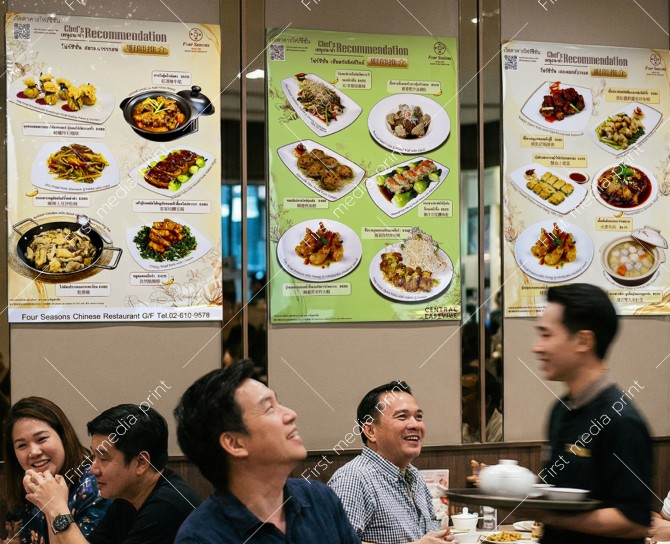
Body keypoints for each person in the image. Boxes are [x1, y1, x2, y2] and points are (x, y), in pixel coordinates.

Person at [173, 360, 359, 543]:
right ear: (235, 444)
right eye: (270, 408)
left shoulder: (320, 499)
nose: (291, 414)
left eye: (279, 403)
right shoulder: (201, 537)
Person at [530, 284, 652, 544]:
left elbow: (635, 521)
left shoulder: (621, 420)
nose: (537, 347)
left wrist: (551, 517)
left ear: (583, 341)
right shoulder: (561, 410)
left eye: (546, 335)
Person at [20, 404, 200, 544]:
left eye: (103, 458)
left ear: (141, 463)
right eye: (93, 456)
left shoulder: (167, 507)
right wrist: (51, 508)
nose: (93, 469)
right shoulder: (128, 498)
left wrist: (58, 510)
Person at [328, 381, 456, 544]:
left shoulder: (413, 475)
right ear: (370, 431)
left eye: (418, 417)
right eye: (402, 417)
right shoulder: (353, 479)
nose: (415, 425)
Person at [3, 397, 110, 544]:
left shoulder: (97, 486)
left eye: (41, 439)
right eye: (22, 445)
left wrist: (52, 506)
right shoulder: (25, 488)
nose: (34, 452)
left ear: (63, 437)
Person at [461, 366, 503, 443]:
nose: (458, 399)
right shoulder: (461, 427)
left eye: (464, 392)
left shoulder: (503, 432)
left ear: (486, 401)